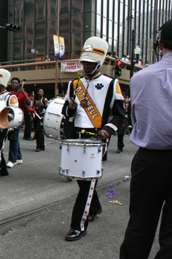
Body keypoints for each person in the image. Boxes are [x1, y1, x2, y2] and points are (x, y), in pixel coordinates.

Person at [62, 36, 124, 241]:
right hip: (76, 136)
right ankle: (95, 207)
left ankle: (78, 225)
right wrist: (70, 109)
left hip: (97, 139)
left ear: (99, 62)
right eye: (84, 63)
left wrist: (108, 129)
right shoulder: (74, 84)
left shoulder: (111, 84)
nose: (86, 66)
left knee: (87, 182)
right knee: (82, 180)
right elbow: (66, 114)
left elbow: (119, 115)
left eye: (90, 63)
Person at [120, 19, 172, 258]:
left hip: (150, 160)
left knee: (139, 227)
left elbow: (136, 118)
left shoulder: (140, 78)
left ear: (159, 43)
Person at [7, 77, 32, 168]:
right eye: (13, 83)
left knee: (13, 138)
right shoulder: (9, 94)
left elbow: (29, 103)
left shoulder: (22, 93)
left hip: (19, 118)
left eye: (16, 83)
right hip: (10, 118)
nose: (14, 84)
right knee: (14, 138)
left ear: (19, 84)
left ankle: (12, 160)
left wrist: (23, 94)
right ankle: (18, 157)